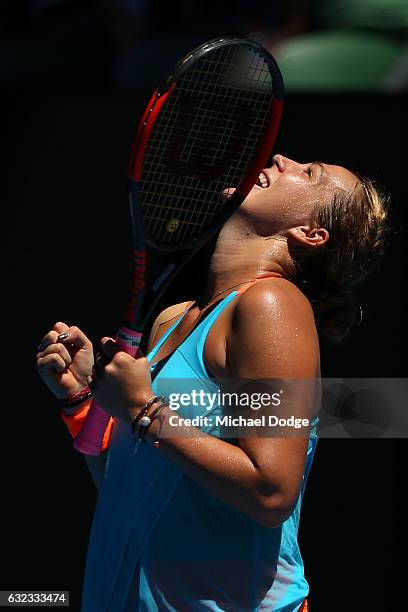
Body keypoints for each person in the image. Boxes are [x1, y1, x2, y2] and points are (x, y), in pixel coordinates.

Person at [36, 154, 388, 611]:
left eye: (308, 173)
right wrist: (81, 399)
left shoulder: (271, 304)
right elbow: (129, 485)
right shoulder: (171, 320)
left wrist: (144, 410)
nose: (280, 158)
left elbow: (271, 490)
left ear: (311, 233)